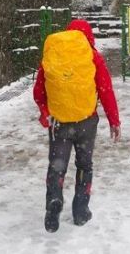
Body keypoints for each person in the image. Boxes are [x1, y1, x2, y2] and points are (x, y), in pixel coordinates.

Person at [33, 19, 121, 232]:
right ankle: (81, 211)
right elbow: (105, 89)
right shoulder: (92, 56)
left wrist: (46, 113)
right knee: (84, 165)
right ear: (89, 36)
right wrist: (114, 120)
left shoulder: (54, 55)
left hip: (59, 122)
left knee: (57, 165)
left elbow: (38, 92)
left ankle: (54, 200)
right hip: (86, 122)